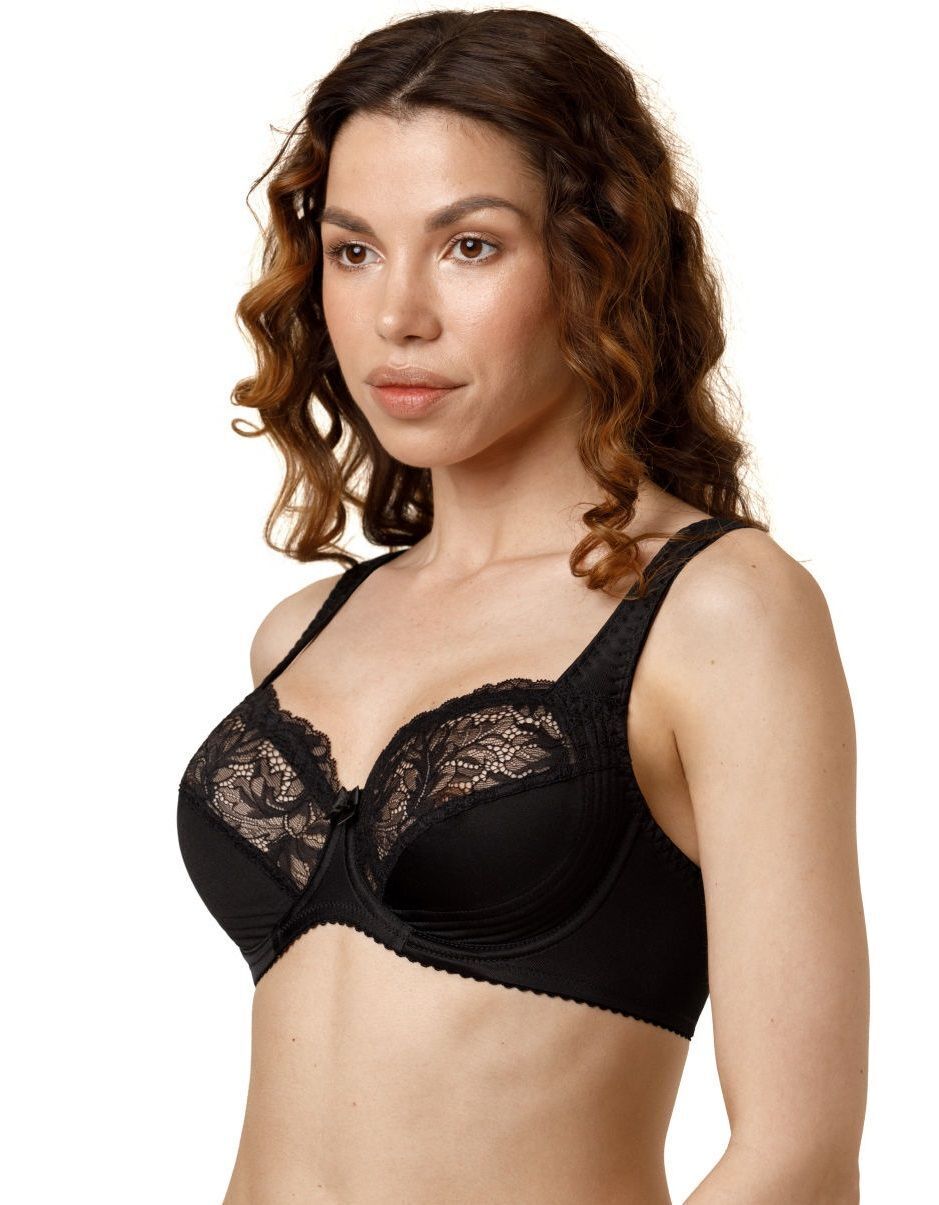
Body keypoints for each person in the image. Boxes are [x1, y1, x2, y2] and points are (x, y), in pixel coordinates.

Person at [176, 9, 868, 1202]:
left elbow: (798, 1156)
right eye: (354, 250)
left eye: (470, 246)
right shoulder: (303, 634)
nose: (398, 314)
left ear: (598, 258)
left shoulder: (718, 611)